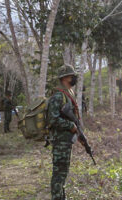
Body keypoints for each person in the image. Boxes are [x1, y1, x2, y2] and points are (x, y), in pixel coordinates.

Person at [47, 64, 79, 200]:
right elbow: (52, 120)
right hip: (60, 142)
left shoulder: (68, 94)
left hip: (65, 142)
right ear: (65, 78)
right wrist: (70, 125)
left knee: (62, 174)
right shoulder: (58, 96)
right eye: (72, 76)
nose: (74, 79)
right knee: (58, 175)